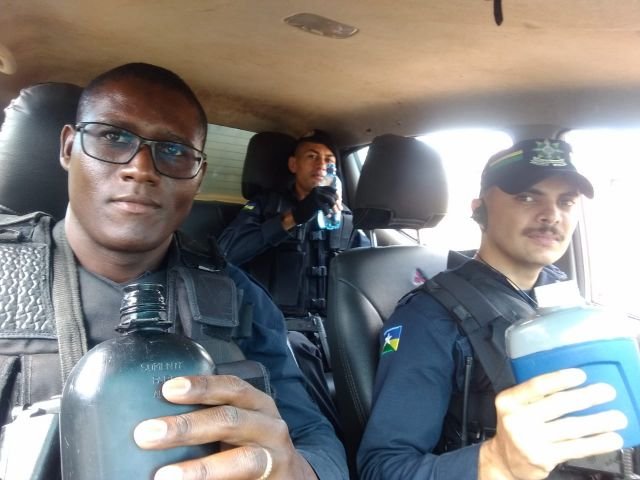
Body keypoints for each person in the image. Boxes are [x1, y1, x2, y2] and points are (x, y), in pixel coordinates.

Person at [0, 63, 348, 479]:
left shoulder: (238, 297)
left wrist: (296, 469)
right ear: (68, 147)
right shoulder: (8, 272)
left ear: (198, 176)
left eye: (173, 150)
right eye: (113, 137)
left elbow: (317, 443)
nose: (141, 168)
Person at [358, 139, 629, 479]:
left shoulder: (561, 293)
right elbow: (382, 468)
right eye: (526, 197)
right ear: (479, 210)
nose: (551, 215)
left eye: (566, 201)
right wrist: (495, 461)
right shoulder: (428, 319)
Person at [218, 130, 369, 434]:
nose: (321, 165)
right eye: (311, 156)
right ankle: (330, 443)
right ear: (292, 165)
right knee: (298, 350)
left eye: (328, 159)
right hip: (281, 328)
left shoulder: (347, 219)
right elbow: (226, 254)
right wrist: (294, 217)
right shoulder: (264, 207)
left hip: (336, 328)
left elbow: (367, 281)